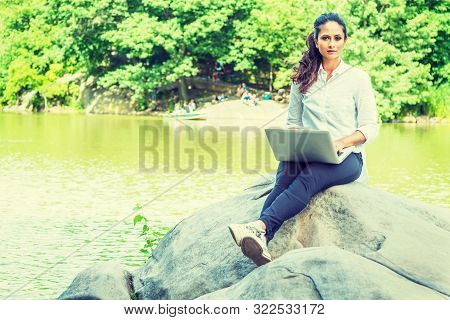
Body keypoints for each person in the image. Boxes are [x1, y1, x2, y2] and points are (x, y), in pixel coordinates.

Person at [228, 12, 379, 266]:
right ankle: (262, 237)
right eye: (326, 38)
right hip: (308, 151)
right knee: (284, 176)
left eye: (337, 38)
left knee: (310, 176)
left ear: (345, 41)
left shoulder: (357, 78)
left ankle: (260, 226)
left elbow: (370, 128)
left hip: (348, 158)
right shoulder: (303, 77)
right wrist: (292, 145)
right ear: (316, 41)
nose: (332, 43)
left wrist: (341, 142)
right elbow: (294, 124)